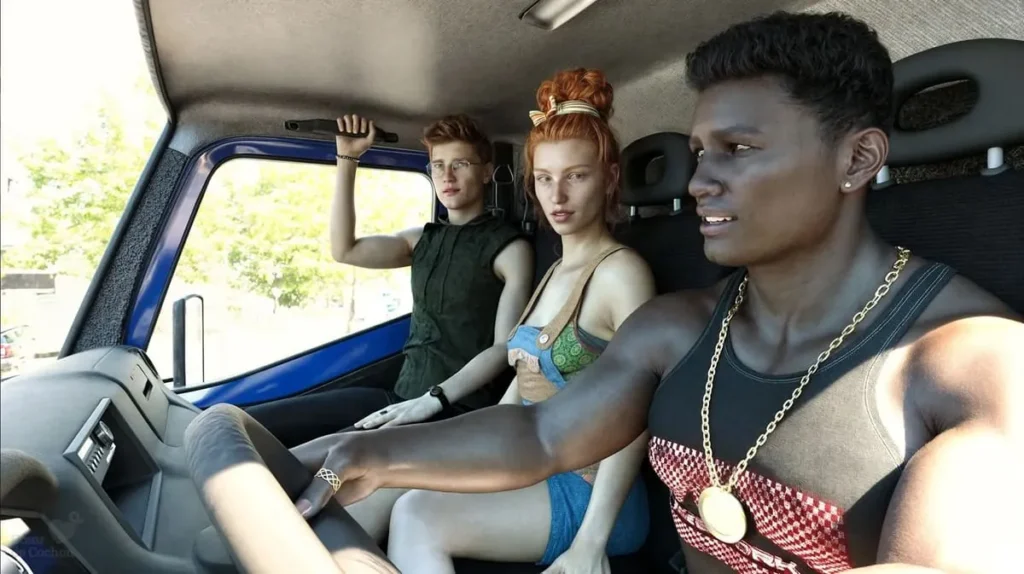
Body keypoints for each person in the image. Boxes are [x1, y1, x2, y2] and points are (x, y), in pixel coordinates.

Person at [294, 11, 1024, 574]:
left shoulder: (975, 362)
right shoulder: (677, 327)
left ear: (857, 158)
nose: (700, 180)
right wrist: (361, 453)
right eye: (701, 153)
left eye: (738, 150)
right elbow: (541, 435)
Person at [294, 68, 658, 571]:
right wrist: (438, 437)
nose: (557, 196)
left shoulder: (620, 274)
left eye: (576, 176)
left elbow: (635, 414)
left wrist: (590, 544)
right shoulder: (555, 271)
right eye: (545, 178)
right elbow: (519, 397)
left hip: (590, 491)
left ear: (610, 177)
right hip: (528, 460)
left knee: (418, 514)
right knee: (375, 475)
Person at [246, 114, 534, 447]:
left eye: (460, 164)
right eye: (437, 166)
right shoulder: (421, 240)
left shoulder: (510, 248)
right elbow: (345, 249)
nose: (447, 176)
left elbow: (503, 347)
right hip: (400, 396)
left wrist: (434, 398)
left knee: (318, 459)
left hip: (453, 411)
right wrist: (348, 158)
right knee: (254, 424)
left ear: (485, 172)